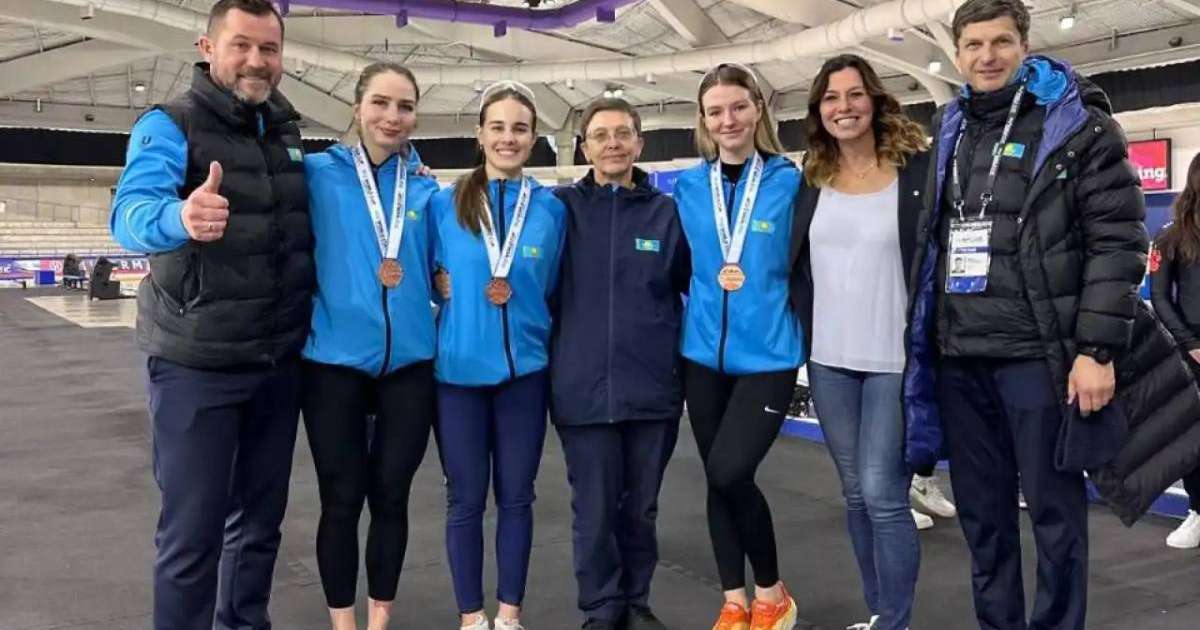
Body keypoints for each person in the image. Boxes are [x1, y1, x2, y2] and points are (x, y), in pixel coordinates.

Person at [902, 1, 1200, 629]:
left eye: (1001, 42)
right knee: (984, 524)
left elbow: (1118, 242)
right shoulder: (949, 127)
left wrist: (1097, 350)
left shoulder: (1077, 124)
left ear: (1024, 45)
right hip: (960, 359)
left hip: (1039, 359)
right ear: (957, 54)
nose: (987, 56)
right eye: (974, 45)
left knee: (1056, 518)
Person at [108, 0, 314, 628]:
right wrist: (181, 217)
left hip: (277, 365)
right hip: (197, 364)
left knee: (259, 528)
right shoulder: (170, 123)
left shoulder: (286, 128)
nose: (257, 60)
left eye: (269, 49)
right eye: (242, 45)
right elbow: (129, 213)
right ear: (207, 47)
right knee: (192, 537)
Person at [788, 53, 929, 630]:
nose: (842, 107)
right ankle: (878, 613)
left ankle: (894, 621)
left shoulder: (915, 170)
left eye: (853, 95)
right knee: (853, 495)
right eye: (830, 98)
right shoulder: (812, 178)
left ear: (874, 100)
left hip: (894, 361)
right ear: (819, 111)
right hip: (829, 361)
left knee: (884, 494)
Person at [301, 62, 440, 630]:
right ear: (357, 108)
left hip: (410, 365)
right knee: (341, 498)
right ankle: (343, 622)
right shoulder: (314, 175)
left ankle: (379, 620)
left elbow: (441, 266)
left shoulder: (429, 191)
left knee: (392, 498)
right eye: (381, 103)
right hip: (332, 363)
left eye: (404, 107)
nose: (392, 116)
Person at [430, 81, 567, 630]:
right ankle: (471, 616)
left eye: (519, 128)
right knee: (464, 501)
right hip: (457, 377)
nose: (508, 138)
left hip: (524, 378)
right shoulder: (441, 204)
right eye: (498, 127)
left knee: (517, 498)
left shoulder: (551, 210)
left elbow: (553, 289)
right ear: (479, 135)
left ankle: (509, 615)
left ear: (533, 139)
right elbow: (421, 278)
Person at [549, 97, 690, 630]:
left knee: (641, 511)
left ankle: (635, 602)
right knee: (594, 511)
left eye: (622, 134)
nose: (612, 143)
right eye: (601, 134)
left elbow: (684, 282)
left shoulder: (666, 213)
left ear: (639, 143)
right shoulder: (558, 209)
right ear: (585, 146)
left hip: (652, 389)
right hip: (582, 389)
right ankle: (600, 608)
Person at [675, 62, 801, 630]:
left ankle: (773, 593)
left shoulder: (791, 182)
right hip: (701, 355)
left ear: (757, 111)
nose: (728, 120)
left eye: (738, 107)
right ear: (703, 120)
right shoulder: (687, 186)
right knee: (716, 477)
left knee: (729, 471)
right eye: (715, 111)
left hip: (769, 356)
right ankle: (734, 600)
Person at [1149, 153, 1200, 550]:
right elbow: (1161, 298)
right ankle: (1197, 511)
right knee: (1192, 437)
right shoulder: (1170, 236)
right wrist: (1191, 343)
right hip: (1193, 351)